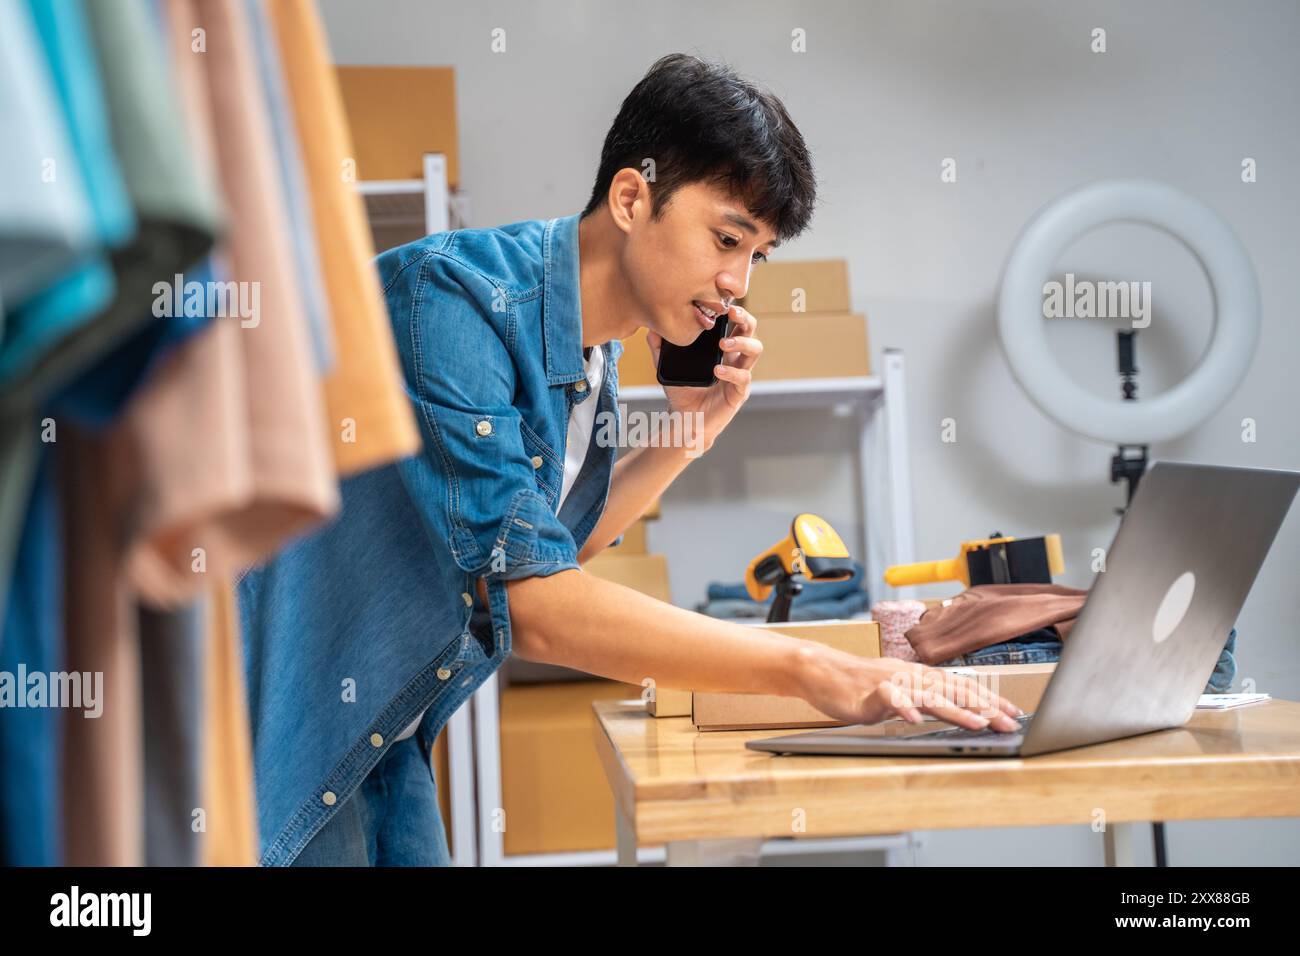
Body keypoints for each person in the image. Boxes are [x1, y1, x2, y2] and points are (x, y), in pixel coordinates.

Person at [239, 52, 1021, 867]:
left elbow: (548, 549)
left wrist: (694, 431)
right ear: (630, 197)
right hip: (275, 737)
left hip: (379, 737)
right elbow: (532, 602)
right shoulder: (456, 303)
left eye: (757, 256)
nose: (736, 283)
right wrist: (813, 668)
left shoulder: (592, 355)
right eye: (727, 238)